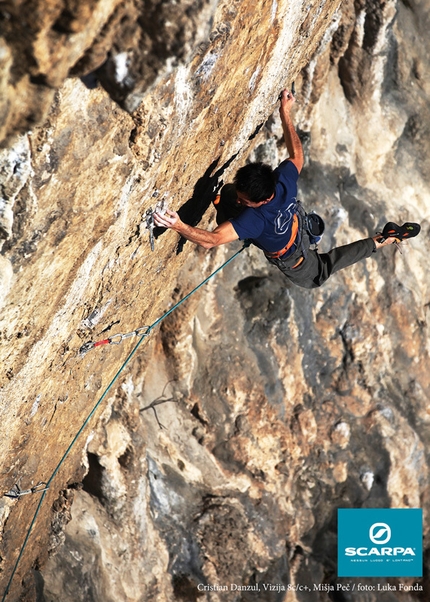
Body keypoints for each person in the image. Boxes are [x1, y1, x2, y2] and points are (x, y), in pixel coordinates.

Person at [154, 90, 420, 289]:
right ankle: (386, 239)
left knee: (319, 275)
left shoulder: (253, 218)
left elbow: (211, 240)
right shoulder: (281, 181)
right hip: (296, 226)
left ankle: (384, 240)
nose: (242, 199)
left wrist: (177, 224)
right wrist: (285, 112)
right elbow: (297, 155)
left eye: (245, 199)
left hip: (296, 255)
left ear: (260, 200)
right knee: (326, 265)